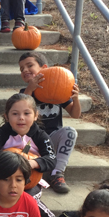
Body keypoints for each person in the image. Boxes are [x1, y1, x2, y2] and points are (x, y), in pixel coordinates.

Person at [0, 93, 62, 217]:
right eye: (15, 114)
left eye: (27, 113)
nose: (21, 118)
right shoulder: (0, 134)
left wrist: (31, 163)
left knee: (29, 198)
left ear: (35, 115)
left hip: (29, 181)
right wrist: (8, 160)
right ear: (6, 116)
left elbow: (51, 159)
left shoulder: (41, 135)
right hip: (4, 179)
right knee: (2, 196)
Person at [18, 52, 81, 193]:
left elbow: (75, 114)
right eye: (21, 69)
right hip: (31, 141)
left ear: (44, 68)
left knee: (70, 131)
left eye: (29, 66)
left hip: (51, 139)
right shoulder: (25, 92)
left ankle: (57, 173)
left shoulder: (59, 89)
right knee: (19, 152)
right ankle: (28, 175)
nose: (25, 70)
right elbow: (21, 108)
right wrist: (30, 89)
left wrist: (75, 98)